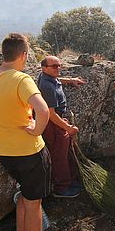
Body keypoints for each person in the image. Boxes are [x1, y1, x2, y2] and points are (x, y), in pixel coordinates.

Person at [0, 33, 54, 231]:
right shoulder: (21, 80)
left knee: (24, 197)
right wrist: (36, 131)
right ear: (23, 55)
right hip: (29, 153)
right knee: (34, 205)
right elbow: (43, 111)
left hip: (5, 153)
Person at [37, 56, 86, 198]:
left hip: (58, 122)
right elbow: (50, 114)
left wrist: (71, 80)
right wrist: (68, 128)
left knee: (64, 153)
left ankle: (69, 180)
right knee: (59, 157)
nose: (58, 69)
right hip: (54, 125)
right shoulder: (46, 86)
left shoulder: (48, 77)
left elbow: (57, 80)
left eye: (59, 66)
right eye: (54, 66)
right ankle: (61, 188)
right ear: (44, 68)